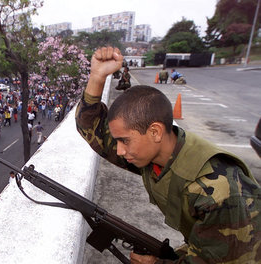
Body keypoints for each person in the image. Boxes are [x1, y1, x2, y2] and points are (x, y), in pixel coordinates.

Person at [75, 46, 261, 263]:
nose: (119, 150)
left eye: (124, 140)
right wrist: (97, 76)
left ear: (155, 131)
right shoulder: (157, 153)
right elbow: (93, 129)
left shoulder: (218, 191)